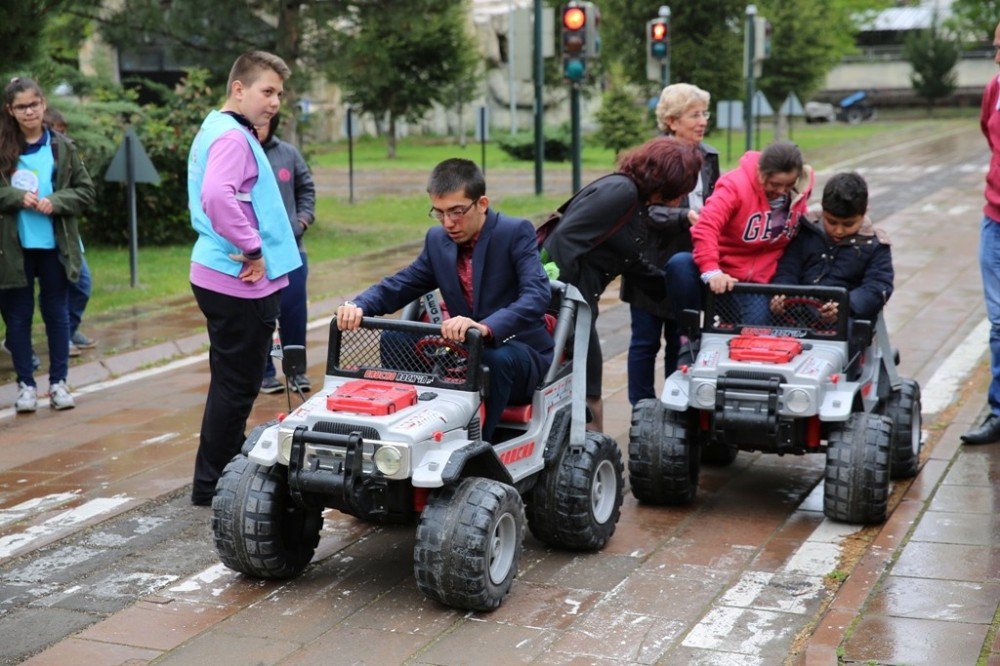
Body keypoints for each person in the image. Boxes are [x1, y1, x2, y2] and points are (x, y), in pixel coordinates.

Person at [337, 158, 552, 442]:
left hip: (518, 352)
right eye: (439, 213)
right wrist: (357, 305)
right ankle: (409, 430)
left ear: (482, 203)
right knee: (392, 338)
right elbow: (403, 283)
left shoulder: (515, 232)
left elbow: (537, 295)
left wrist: (486, 327)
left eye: (457, 211)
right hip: (465, 353)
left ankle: (476, 445)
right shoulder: (437, 240)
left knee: (491, 358)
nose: (448, 223)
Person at [187, 51, 302, 506]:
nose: (275, 102)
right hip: (237, 279)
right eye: (266, 91)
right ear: (239, 89)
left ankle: (214, 472)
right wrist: (253, 247)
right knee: (237, 386)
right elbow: (218, 196)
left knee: (230, 382)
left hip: (219, 274)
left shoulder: (218, 127)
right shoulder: (233, 137)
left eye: (279, 93)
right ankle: (212, 483)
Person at [541, 136, 702, 430]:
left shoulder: (634, 199)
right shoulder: (621, 193)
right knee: (588, 389)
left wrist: (682, 290)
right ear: (667, 181)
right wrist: (565, 309)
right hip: (565, 301)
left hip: (577, 300)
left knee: (583, 385)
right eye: (682, 189)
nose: (682, 197)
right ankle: (591, 465)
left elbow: (629, 261)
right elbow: (562, 243)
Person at [621, 83, 720, 405]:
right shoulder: (652, 157)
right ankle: (641, 407)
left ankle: (674, 405)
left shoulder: (709, 156)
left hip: (690, 263)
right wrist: (685, 217)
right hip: (650, 262)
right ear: (673, 121)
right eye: (695, 115)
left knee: (682, 340)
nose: (703, 121)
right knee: (645, 342)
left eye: (705, 113)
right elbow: (644, 209)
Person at [0, 77, 94, 412]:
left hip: (54, 246)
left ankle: (58, 383)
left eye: (34, 105)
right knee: (18, 317)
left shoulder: (62, 147)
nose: (29, 112)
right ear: (11, 110)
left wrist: (57, 201)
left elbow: (85, 190)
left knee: (56, 314)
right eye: (22, 107)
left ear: (43, 105)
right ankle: (26, 385)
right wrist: (14, 196)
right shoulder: (3, 148)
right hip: (14, 250)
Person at [665, 140, 814, 320]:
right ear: (760, 172)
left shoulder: (799, 192)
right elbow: (706, 226)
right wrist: (712, 270)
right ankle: (689, 333)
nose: (782, 191)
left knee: (753, 331)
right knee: (680, 264)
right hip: (722, 271)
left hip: (759, 282)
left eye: (788, 185)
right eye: (774, 184)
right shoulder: (734, 186)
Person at [770, 172, 893, 325]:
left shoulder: (875, 246)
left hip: (846, 320)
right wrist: (782, 294)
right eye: (832, 222)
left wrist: (845, 305)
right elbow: (788, 268)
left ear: (864, 213)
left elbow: (878, 287)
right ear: (823, 209)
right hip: (796, 315)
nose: (838, 231)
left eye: (848, 224)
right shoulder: (806, 231)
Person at [256, 113, 316, 395]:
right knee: (261, 315)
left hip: (292, 250)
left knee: (293, 313)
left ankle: (296, 373)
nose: (258, 128)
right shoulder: (241, 153)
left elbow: (306, 189)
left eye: (263, 123)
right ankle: (265, 373)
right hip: (255, 252)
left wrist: (302, 220)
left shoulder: (288, 154)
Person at [962, 21, 1000, 445]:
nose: (996, 56)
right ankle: (998, 412)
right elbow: (990, 140)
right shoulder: (995, 89)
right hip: (995, 221)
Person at [44, 107, 96, 356]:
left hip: (68, 234)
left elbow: (84, 191)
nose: (60, 136)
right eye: (57, 131)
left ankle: (68, 329)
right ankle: (60, 337)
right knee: (52, 292)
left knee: (82, 284)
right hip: (42, 236)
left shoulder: (67, 152)